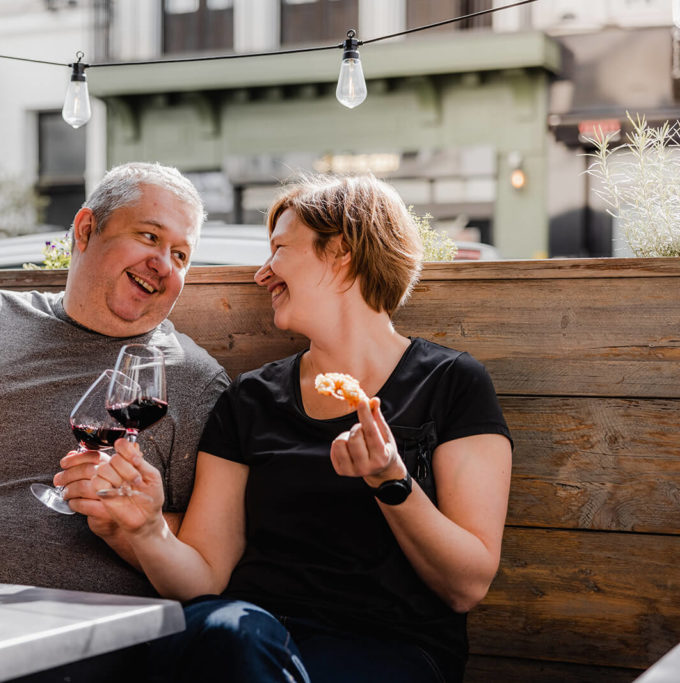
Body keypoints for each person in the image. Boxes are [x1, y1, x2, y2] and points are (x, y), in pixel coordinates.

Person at [88, 174, 513, 682]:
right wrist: (147, 528)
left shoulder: (451, 383)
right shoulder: (249, 400)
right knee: (223, 636)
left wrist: (392, 483)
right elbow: (205, 576)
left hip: (386, 647)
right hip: (248, 639)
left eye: (279, 250)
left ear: (343, 253)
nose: (262, 274)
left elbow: (466, 586)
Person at [0, 161, 230, 598]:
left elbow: (197, 552)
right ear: (85, 230)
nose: (162, 264)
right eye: (149, 236)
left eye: (180, 255)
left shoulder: (194, 382)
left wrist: (126, 524)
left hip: (40, 622)